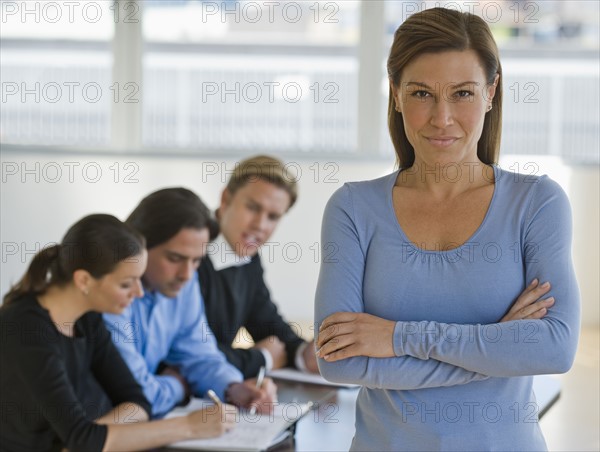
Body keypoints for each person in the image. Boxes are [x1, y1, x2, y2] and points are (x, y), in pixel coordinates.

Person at [315, 8, 580, 451]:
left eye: (462, 93)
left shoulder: (537, 203)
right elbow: (339, 363)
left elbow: (554, 348)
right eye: (421, 93)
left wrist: (398, 337)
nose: (441, 117)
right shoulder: (352, 208)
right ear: (396, 94)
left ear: (491, 93)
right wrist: (498, 348)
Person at [0, 214, 236, 452]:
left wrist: (87, 439)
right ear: (84, 281)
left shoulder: (87, 318)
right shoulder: (27, 329)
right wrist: (189, 426)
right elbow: (84, 438)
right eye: (126, 284)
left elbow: (138, 402)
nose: (139, 293)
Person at [103, 188, 277, 418]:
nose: (187, 274)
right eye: (175, 258)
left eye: (196, 260)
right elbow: (137, 394)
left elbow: (199, 353)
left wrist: (234, 388)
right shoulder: (110, 292)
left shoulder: (184, 282)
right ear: (137, 246)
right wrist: (178, 386)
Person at [198, 155, 319, 379]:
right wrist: (262, 358)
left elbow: (267, 323)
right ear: (225, 199)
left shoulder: (247, 256)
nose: (260, 225)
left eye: (273, 217)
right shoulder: (190, 254)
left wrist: (305, 355)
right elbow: (190, 353)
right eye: (253, 208)